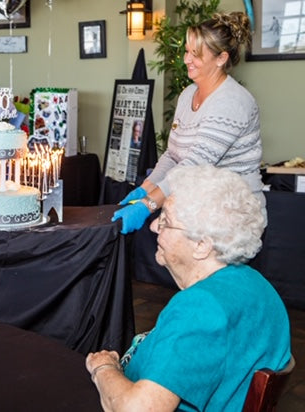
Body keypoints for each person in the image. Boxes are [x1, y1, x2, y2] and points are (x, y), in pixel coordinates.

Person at [86, 165, 291, 411]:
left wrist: (103, 366)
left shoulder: (200, 308)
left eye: (165, 221)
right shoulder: (258, 286)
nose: (153, 227)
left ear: (202, 245)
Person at [113, 12, 263, 234]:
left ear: (221, 58)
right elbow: (173, 155)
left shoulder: (232, 102)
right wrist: (146, 188)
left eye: (196, 54)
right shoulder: (188, 94)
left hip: (234, 216)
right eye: (186, 51)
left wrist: (148, 205)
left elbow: (194, 164)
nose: (186, 60)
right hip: (199, 207)